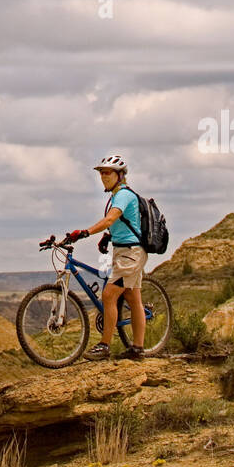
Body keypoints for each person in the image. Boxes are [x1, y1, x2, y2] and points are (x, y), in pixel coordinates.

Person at [64, 154, 146, 361]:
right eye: (101, 173)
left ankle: (104, 345)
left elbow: (111, 219)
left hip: (130, 253)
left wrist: (85, 232)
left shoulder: (124, 195)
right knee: (133, 298)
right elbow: (122, 223)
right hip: (125, 250)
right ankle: (137, 348)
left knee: (109, 295)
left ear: (120, 175)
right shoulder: (116, 196)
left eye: (107, 172)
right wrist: (107, 237)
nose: (103, 176)